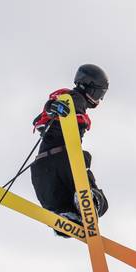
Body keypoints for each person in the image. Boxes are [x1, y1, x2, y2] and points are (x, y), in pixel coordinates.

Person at [30, 64, 110, 236]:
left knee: (60, 206)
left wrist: (52, 109)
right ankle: (90, 199)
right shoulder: (75, 98)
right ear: (89, 87)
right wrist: (56, 108)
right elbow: (58, 105)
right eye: (99, 94)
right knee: (102, 203)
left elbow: (41, 119)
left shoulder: (63, 99)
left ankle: (67, 220)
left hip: (41, 171)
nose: (99, 99)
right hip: (64, 161)